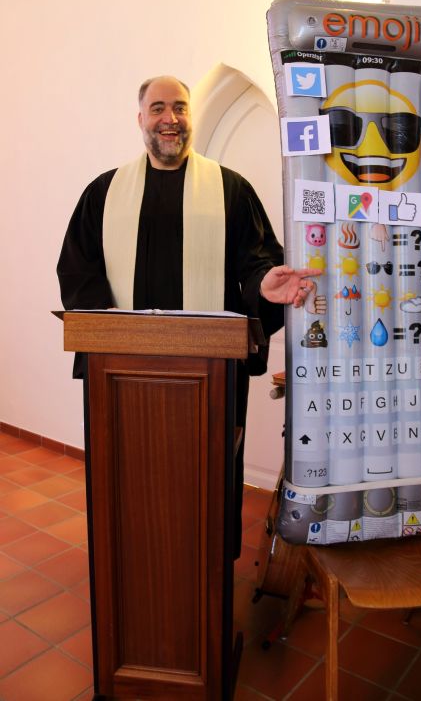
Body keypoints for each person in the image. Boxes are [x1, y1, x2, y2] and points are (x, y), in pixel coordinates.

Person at [57, 75, 319, 555]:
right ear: (141, 119)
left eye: (179, 107)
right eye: (158, 108)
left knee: (205, 487)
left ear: (190, 116)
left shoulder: (231, 190)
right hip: (124, 375)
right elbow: (77, 270)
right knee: (129, 482)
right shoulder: (104, 193)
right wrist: (115, 329)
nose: (170, 119)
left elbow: (256, 263)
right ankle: (127, 566)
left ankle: (207, 572)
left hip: (208, 376)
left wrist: (263, 285)